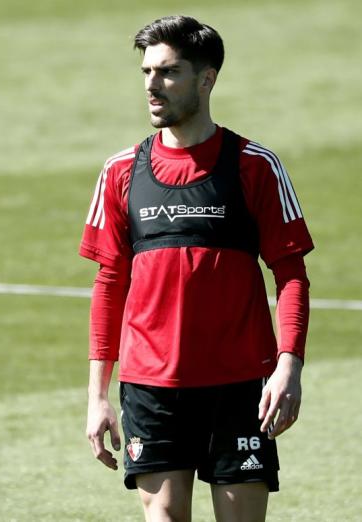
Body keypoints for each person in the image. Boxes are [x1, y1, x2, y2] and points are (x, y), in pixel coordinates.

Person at [80, 15, 313, 522]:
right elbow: (109, 283)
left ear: (206, 79)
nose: (151, 85)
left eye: (168, 72)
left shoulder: (255, 165)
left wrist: (289, 365)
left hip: (240, 385)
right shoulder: (121, 171)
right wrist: (98, 396)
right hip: (152, 386)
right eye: (146, 72)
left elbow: (290, 273)